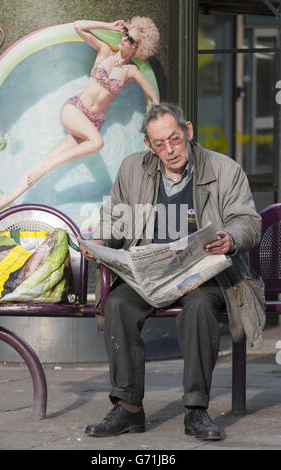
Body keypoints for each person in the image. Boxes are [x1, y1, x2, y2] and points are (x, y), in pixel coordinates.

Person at [81, 103, 265, 440]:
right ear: (149, 145)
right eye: (159, 144)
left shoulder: (224, 169)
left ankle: (196, 410)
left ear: (189, 131)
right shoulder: (133, 168)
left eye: (175, 140)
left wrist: (230, 238)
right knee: (119, 304)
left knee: (198, 309)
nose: (169, 150)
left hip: (203, 275)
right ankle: (128, 408)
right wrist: (100, 241)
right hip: (151, 274)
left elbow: (248, 222)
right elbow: (115, 219)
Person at [0, 17, 160, 216]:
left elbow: (153, 96)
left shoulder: (131, 71)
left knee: (45, 161)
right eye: (126, 35)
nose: (126, 40)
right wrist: (109, 26)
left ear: (139, 48)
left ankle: (7, 199)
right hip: (74, 110)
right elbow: (78, 26)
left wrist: (154, 126)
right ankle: (50, 166)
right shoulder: (104, 50)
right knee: (97, 143)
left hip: (91, 124)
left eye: (132, 41)